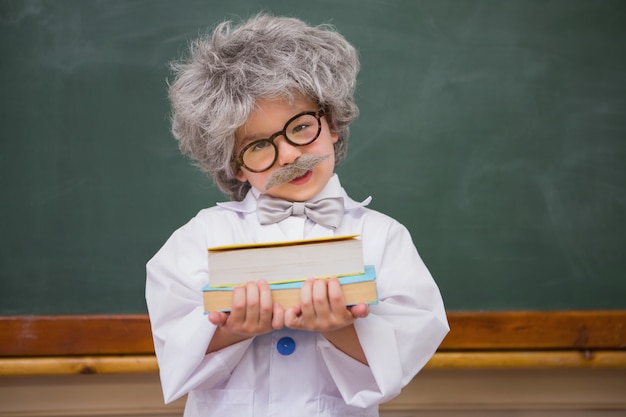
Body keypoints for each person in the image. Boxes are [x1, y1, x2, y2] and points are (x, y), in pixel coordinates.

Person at [146, 13, 448, 417]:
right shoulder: (199, 238)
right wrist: (232, 328)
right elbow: (174, 343)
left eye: (301, 127)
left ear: (333, 123)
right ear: (234, 166)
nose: (289, 154)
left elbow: (407, 345)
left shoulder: (384, 238)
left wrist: (341, 327)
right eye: (258, 146)